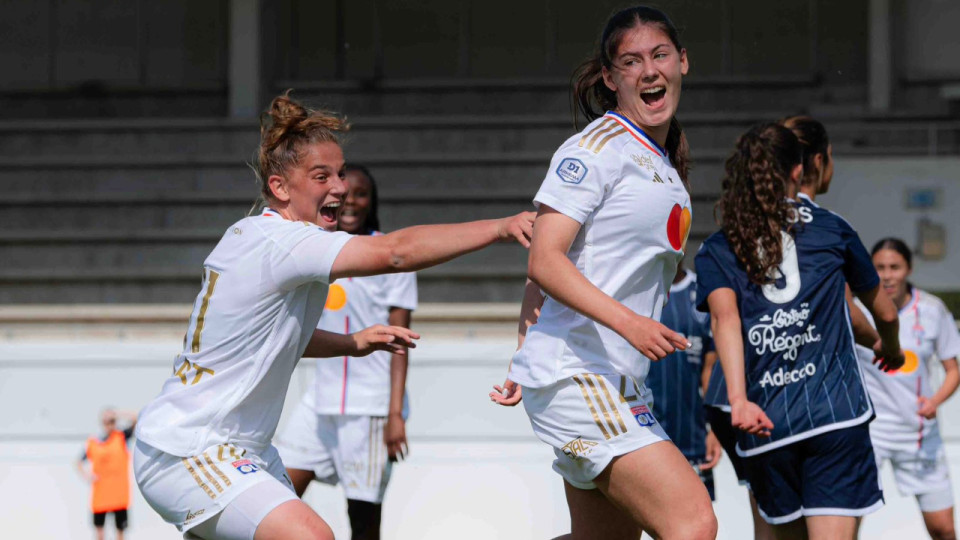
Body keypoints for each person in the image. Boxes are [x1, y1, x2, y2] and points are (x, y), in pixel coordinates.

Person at [132, 92, 534, 540]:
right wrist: (499, 227)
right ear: (280, 187)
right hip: (191, 449)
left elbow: (275, 336)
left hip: (241, 449)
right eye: (321, 176)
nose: (340, 188)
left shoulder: (265, 238)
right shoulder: (286, 242)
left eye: (340, 174)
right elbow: (395, 253)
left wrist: (351, 343)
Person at [492, 7, 717, 539]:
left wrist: (523, 351)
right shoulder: (595, 150)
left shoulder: (661, 163)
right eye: (631, 61)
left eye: (660, 55)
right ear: (611, 78)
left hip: (616, 378)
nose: (650, 70)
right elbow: (543, 260)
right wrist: (629, 325)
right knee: (693, 523)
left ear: (682, 62)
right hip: (581, 374)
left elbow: (554, 269)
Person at [696, 122, 904, 540]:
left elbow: (725, 321)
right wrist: (892, 349)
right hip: (834, 417)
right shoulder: (831, 228)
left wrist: (738, 399)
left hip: (766, 420)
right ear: (800, 169)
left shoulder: (719, 246)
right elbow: (884, 311)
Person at [274, 164, 416, 540]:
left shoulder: (390, 256)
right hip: (319, 401)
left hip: (368, 407)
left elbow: (400, 343)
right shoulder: (319, 247)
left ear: (372, 202)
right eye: (345, 192)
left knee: (363, 520)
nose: (351, 201)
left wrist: (394, 413)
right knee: (276, 493)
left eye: (361, 194)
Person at [855, 238, 960, 540]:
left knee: (943, 529)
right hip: (869, 432)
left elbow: (953, 371)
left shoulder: (931, 309)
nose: (887, 275)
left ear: (908, 269)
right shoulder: (857, 312)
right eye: (879, 268)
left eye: (894, 267)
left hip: (917, 430)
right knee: (847, 526)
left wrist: (935, 401)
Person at [644, 263, 722, 500]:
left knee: (697, 525)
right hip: (643, 439)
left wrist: (716, 429)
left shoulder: (703, 292)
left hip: (692, 440)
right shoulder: (636, 292)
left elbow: (711, 372)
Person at [77, 408, 137, 540]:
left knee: (120, 531)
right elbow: (79, 462)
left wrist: (119, 414)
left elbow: (136, 419)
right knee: (99, 532)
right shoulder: (94, 442)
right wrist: (87, 476)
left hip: (119, 495)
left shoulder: (122, 437)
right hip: (101, 495)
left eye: (112, 421)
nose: (109, 424)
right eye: (106, 421)